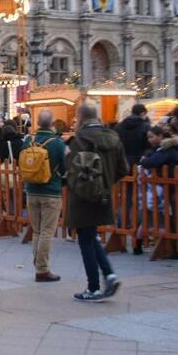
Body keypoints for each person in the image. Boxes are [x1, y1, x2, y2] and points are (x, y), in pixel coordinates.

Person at [66, 104, 128, 302]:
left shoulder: (79, 141)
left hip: (82, 196)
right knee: (91, 237)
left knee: (85, 240)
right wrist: (106, 182)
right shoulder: (113, 138)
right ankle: (109, 274)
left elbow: (71, 170)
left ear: (80, 118)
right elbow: (123, 169)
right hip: (103, 195)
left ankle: (93, 287)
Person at [19, 109, 65, 281]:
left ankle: (38, 262)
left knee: (37, 230)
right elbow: (65, 167)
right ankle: (42, 269)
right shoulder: (57, 143)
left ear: (37, 123)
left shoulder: (28, 141)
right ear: (52, 123)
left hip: (31, 190)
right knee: (47, 231)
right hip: (51, 191)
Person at [139, 125, 178, 258]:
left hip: (174, 188)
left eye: (152, 136)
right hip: (172, 188)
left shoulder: (167, 149)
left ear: (161, 136)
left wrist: (144, 161)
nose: (149, 140)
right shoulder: (168, 149)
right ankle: (177, 247)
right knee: (175, 218)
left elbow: (153, 161)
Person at [116, 103, 151, 169]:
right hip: (139, 162)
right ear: (142, 113)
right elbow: (149, 145)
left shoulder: (119, 126)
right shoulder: (145, 127)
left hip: (122, 162)